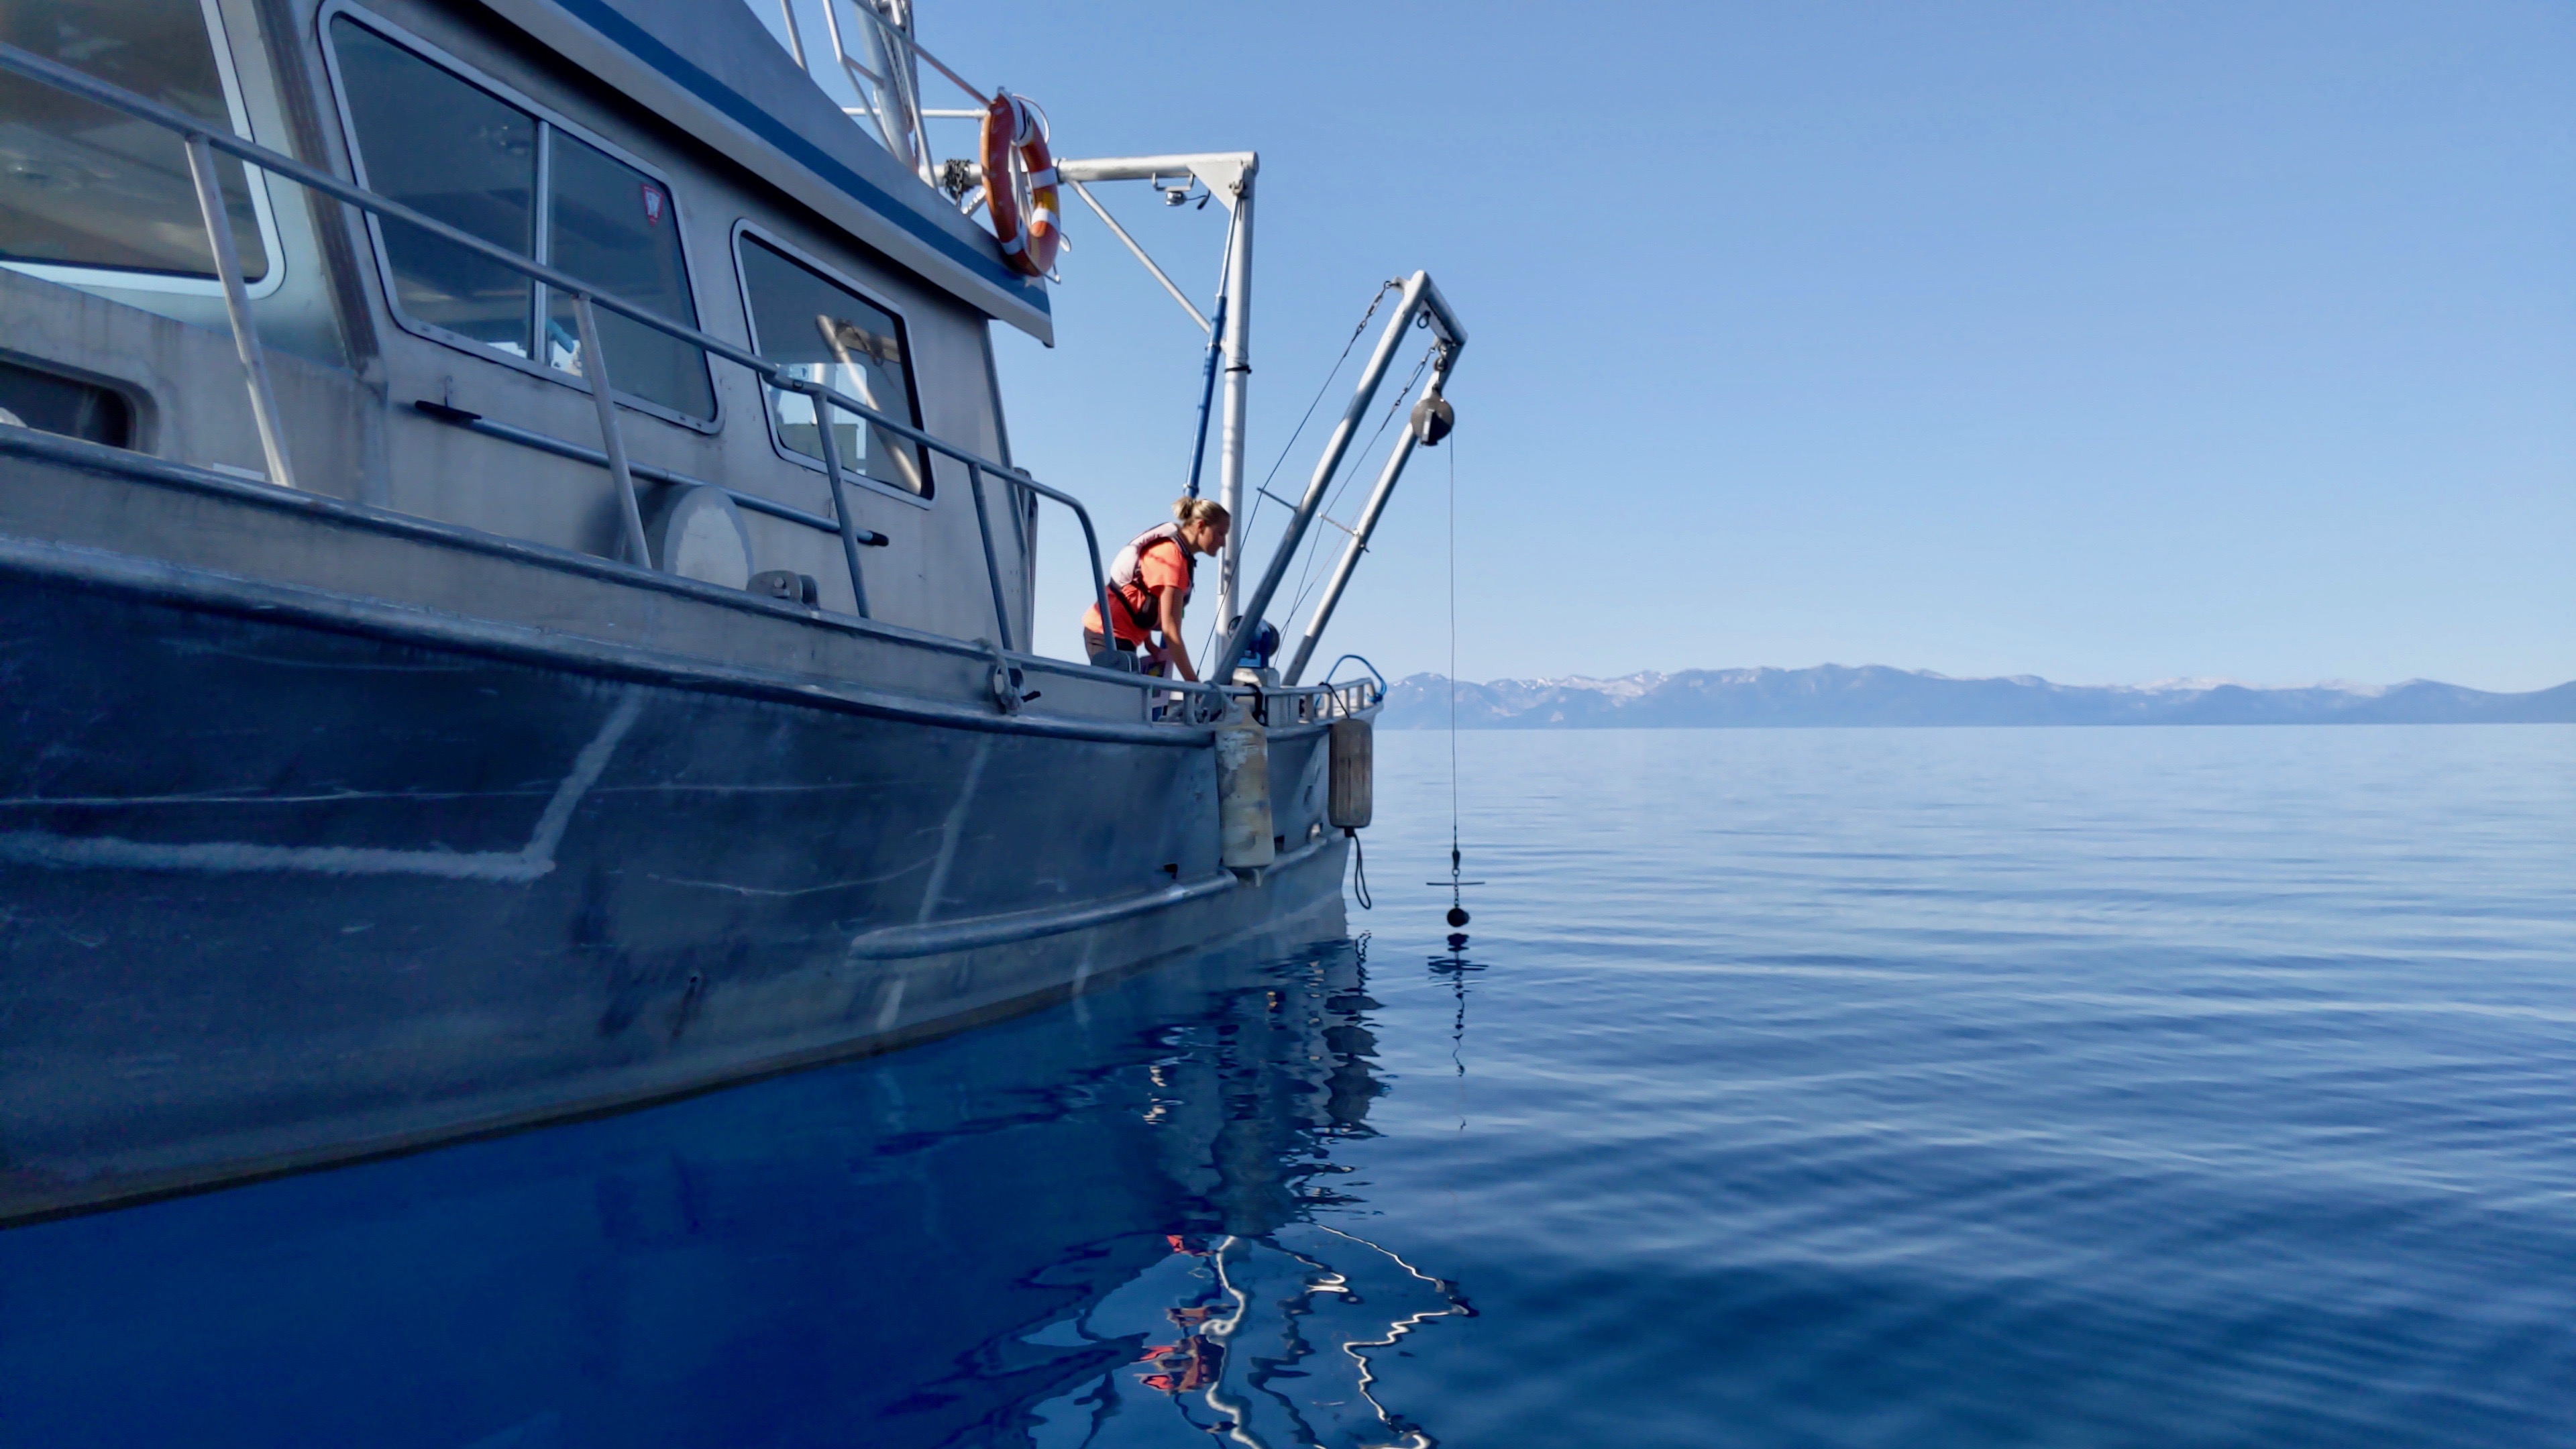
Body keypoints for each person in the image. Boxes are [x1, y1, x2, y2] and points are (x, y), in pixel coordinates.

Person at [1083, 497, 1230, 681]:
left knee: (1130, 699)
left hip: (1119, 636)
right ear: (1201, 526)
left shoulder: (1178, 554)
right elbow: (1171, 632)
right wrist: (1194, 686)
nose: (1223, 543)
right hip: (1107, 635)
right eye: (1220, 534)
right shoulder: (1172, 560)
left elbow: (1141, 595)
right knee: (1122, 700)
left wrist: (1149, 644)